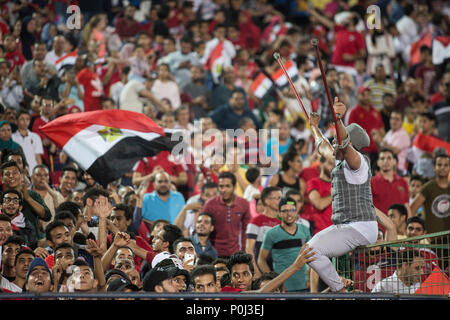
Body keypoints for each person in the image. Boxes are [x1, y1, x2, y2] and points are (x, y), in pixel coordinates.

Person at [307, 97, 378, 292]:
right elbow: (322, 146)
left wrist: (339, 119)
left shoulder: (359, 163)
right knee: (309, 250)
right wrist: (314, 126)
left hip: (360, 226)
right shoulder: (340, 161)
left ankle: (340, 291)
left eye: (337, 140)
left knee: (312, 251)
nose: (334, 143)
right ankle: (340, 288)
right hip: (351, 225)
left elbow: (345, 146)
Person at [258, 197, 311, 292]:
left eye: (292, 210)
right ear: (279, 213)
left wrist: (310, 278)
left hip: (304, 286)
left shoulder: (305, 230)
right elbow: (261, 260)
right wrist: (274, 282)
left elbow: (311, 256)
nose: (289, 214)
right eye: (285, 211)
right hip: (283, 289)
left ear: (296, 212)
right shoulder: (271, 234)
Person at [0, 161, 51, 247]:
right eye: (7, 174)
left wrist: (28, 199)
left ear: (21, 176)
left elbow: (47, 216)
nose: (11, 176)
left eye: (15, 173)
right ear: (2, 179)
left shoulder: (32, 195)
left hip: (32, 244)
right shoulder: (0, 197)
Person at [202, 172, 251, 259]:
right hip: (213, 254)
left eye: (227, 186)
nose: (223, 190)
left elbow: (246, 230)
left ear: (234, 187)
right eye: (221, 186)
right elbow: (202, 228)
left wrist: (243, 251)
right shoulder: (210, 204)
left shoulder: (244, 204)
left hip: (235, 254)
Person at [245, 186, 281, 278]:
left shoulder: (283, 221)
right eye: (278, 198)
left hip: (279, 268)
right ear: (267, 201)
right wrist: (256, 271)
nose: (281, 201)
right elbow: (249, 249)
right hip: (261, 268)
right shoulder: (256, 221)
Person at [410, 154, 450, 234]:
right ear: (434, 168)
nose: (442, 167)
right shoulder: (428, 187)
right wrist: (420, 231)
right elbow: (412, 209)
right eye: (439, 165)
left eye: (446, 165)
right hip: (431, 239)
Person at [371, 148, 410, 217]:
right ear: (378, 162)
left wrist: (410, 223)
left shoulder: (403, 182)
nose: (386, 161)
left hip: (399, 227)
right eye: (382, 158)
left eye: (389, 158)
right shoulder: (371, 182)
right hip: (378, 227)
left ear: (395, 161)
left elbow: (406, 206)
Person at [306, 155, 334, 235]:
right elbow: (319, 205)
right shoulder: (312, 183)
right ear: (321, 164)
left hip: (339, 231)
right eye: (330, 163)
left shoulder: (340, 183)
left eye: (335, 164)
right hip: (321, 232)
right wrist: (335, 191)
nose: (333, 167)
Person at [11, 109, 44, 175]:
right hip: (17, 172)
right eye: (22, 119)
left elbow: (38, 157)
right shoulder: (12, 137)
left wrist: (40, 172)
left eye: (27, 119)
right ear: (16, 121)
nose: (25, 122)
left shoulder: (36, 137)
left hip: (33, 171)